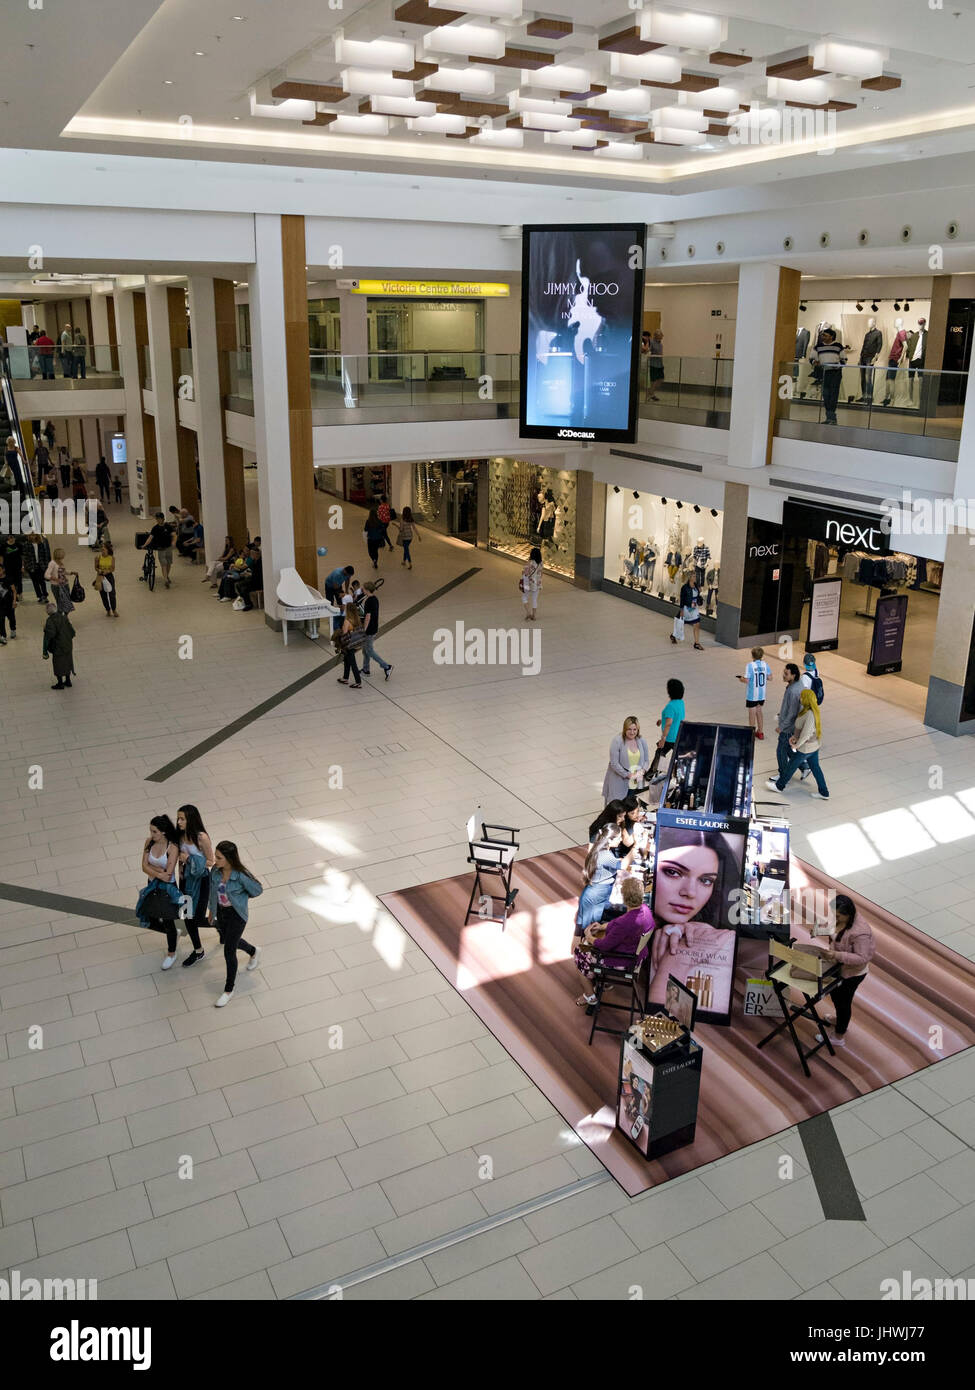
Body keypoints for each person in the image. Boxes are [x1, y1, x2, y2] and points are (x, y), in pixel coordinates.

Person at [647, 828, 740, 1011]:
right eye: (673, 872)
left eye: (706, 880)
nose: (689, 892)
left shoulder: (717, 940)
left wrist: (678, 956)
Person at [574, 876, 654, 1007]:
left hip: (623, 960)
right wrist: (602, 926)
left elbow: (604, 945)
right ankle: (603, 981)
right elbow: (620, 922)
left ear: (624, 898)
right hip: (636, 955)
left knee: (579, 953)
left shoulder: (625, 923)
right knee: (589, 948)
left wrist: (588, 937)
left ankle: (590, 995)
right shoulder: (645, 910)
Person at [207, 840, 263, 1007]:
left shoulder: (241, 875)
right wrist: (212, 910)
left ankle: (228, 990)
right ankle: (254, 951)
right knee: (229, 939)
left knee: (228, 950)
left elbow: (257, 890)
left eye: (219, 858)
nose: (216, 861)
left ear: (229, 859)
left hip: (237, 915)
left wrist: (241, 899)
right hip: (222, 913)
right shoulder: (215, 872)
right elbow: (212, 892)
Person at [815, 894, 876, 1047]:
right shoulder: (841, 919)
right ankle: (838, 1020)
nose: (835, 917)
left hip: (852, 973)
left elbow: (862, 957)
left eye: (838, 916)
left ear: (848, 914)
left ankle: (839, 1036)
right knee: (835, 996)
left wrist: (837, 955)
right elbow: (835, 931)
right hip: (838, 966)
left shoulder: (861, 933)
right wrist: (820, 930)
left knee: (843, 1003)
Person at [135, 816, 183, 969]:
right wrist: (158, 872)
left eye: (154, 831)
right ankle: (175, 934)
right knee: (149, 917)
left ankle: (171, 952)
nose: (151, 834)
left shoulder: (172, 847)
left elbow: (167, 874)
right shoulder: (148, 842)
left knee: (167, 921)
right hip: (152, 885)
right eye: (150, 830)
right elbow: (143, 866)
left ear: (163, 832)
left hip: (167, 888)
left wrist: (152, 868)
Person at [766, 689, 829, 799]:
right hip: (813, 747)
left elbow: (806, 733)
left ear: (806, 699)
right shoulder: (810, 710)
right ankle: (824, 792)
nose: (800, 699)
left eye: (802, 697)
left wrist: (797, 745)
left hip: (806, 748)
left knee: (791, 766)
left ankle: (779, 786)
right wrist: (794, 737)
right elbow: (802, 730)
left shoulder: (810, 714)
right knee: (815, 768)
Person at [576, 824, 635, 932]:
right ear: (609, 840)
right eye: (618, 838)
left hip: (595, 892)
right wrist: (635, 848)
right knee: (589, 928)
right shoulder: (605, 855)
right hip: (596, 893)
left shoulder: (600, 850)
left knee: (590, 926)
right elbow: (622, 866)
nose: (621, 840)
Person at [175, 804, 214, 968]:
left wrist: (189, 859)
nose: (178, 822)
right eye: (178, 818)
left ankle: (219, 925)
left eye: (182, 819)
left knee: (196, 918)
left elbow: (211, 861)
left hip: (201, 882)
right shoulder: (180, 835)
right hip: (186, 881)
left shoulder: (201, 837)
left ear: (191, 819)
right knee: (189, 918)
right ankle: (199, 950)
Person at [602, 715, 651, 803]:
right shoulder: (617, 741)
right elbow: (614, 763)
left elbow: (646, 760)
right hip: (619, 780)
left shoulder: (641, 741)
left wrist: (642, 771)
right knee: (617, 806)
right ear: (625, 729)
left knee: (630, 804)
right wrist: (629, 775)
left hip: (635, 781)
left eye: (634, 729)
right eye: (629, 729)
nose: (632, 732)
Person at [809, 328, 847, 425]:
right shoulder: (818, 346)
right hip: (824, 372)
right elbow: (811, 358)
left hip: (835, 373)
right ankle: (830, 418)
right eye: (822, 335)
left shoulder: (838, 346)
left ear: (831, 336)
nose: (822, 337)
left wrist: (836, 364)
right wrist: (815, 362)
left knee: (833, 395)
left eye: (825, 335)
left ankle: (831, 418)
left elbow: (844, 360)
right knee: (826, 395)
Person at [650, 678, 685, 778]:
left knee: (660, 753)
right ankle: (676, 772)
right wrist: (662, 720)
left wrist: (663, 739)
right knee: (675, 755)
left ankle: (653, 772)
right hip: (678, 735)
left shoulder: (670, 706)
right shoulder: (681, 703)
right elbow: (675, 717)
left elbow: (669, 723)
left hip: (669, 737)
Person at [774, 662, 802, 781]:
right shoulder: (795, 686)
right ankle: (804, 766)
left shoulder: (793, 691)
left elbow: (792, 713)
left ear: (793, 676)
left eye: (786, 674)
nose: (783, 675)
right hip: (791, 724)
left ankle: (783, 775)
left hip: (789, 726)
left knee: (781, 750)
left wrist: (782, 726)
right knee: (787, 749)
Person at [360, 580, 392, 680]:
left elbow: (368, 616)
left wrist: (364, 629)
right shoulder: (374, 599)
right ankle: (366, 669)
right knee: (365, 650)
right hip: (374, 626)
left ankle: (386, 667)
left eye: (363, 588)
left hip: (369, 629)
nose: (362, 589)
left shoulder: (369, 601)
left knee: (369, 650)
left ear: (367, 590)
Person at [737, 646, 771, 740]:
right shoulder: (765, 664)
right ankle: (760, 732)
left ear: (752, 656)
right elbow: (770, 677)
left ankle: (751, 733)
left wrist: (741, 679)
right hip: (762, 694)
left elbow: (747, 680)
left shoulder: (750, 665)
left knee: (752, 713)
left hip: (752, 694)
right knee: (759, 712)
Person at [333, 598, 365, 690]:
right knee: (347, 661)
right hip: (354, 643)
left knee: (352, 663)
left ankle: (358, 682)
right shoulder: (357, 619)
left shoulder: (347, 621)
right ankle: (345, 678)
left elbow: (344, 633)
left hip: (348, 644)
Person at [42, 602, 75, 689]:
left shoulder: (50, 621)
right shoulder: (64, 617)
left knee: (58, 664)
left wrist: (45, 629)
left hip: (58, 647)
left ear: (48, 612)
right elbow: (72, 631)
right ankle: (68, 681)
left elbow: (50, 635)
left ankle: (60, 683)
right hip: (68, 644)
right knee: (68, 661)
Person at [142, 511, 175, 588]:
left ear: (163, 519)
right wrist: (144, 545)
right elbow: (150, 538)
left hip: (168, 547)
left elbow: (174, 535)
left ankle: (167, 576)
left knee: (169, 563)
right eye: (157, 519)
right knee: (164, 564)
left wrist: (173, 542)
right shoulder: (155, 528)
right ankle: (166, 580)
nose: (158, 520)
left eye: (159, 518)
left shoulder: (168, 526)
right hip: (161, 549)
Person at [675, 572, 704, 650]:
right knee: (681, 624)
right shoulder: (684, 587)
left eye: (695, 576)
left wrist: (699, 594)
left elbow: (697, 595)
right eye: (694, 576)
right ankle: (673, 635)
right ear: (690, 577)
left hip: (694, 608)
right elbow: (682, 599)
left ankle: (696, 643)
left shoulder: (696, 586)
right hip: (687, 608)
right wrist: (681, 610)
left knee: (697, 624)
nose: (695, 578)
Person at [91, 539, 118, 618]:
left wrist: (107, 571)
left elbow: (113, 568)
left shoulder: (112, 558)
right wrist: (99, 570)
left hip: (109, 576)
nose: (102, 549)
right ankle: (108, 610)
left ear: (107, 549)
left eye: (103, 548)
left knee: (112, 593)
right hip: (100, 576)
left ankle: (114, 609)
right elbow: (95, 567)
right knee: (103, 594)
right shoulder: (97, 558)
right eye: (101, 548)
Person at [233, 543, 262, 611]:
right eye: (251, 553)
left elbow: (258, 575)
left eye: (252, 554)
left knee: (244, 589)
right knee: (238, 584)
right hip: (253, 579)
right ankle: (244, 600)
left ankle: (249, 604)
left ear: (257, 554)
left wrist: (249, 575)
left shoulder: (260, 562)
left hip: (258, 582)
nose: (251, 555)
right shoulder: (254, 561)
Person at [44, 548, 74, 614]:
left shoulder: (60, 562)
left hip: (65, 584)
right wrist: (56, 579)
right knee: (60, 603)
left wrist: (71, 573)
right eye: (62, 556)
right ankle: (60, 617)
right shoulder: (52, 563)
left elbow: (63, 572)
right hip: (56, 586)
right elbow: (46, 575)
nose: (63, 557)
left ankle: (65, 617)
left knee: (67, 602)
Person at [24, 531, 51, 602]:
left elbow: (45, 555)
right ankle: (40, 596)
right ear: (29, 536)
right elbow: (25, 557)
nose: (33, 536)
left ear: (36, 535)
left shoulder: (41, 543)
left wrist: (46, 565)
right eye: (31, 535)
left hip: (40, 565)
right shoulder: (27, 544)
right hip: (32, 566)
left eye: (34, 535)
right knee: (35, 582)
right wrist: (28, 567)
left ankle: (45, 595)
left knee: (42, 581)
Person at [520, 546, 543, 621]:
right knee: (534, 599)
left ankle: (528, 613)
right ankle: (534, 616)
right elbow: (541, 573)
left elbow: (526, 573)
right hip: (537, 584)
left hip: (528, 583)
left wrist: (523, 572)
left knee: (524, 597)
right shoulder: (541, 563)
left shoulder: (530, 562)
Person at [0, 558, 17, 646]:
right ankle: (3, 636)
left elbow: (14, 591)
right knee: (1, 620)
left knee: (12, 619)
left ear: (3, 570)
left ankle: (13, 629)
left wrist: (14, 601)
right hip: (1, 605)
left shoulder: (8, 579)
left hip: (9, 603)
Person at [647, 329, 664, 401]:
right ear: (656, 336)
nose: (661, 338)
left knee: (661, 379)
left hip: (660, 364)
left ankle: (650, 392)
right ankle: (651, 395)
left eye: (661, 336)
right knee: (653, 381)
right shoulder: (651, 342)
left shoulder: (660, 344)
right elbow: (648, 351)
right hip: (653, 364)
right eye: (660, 336)